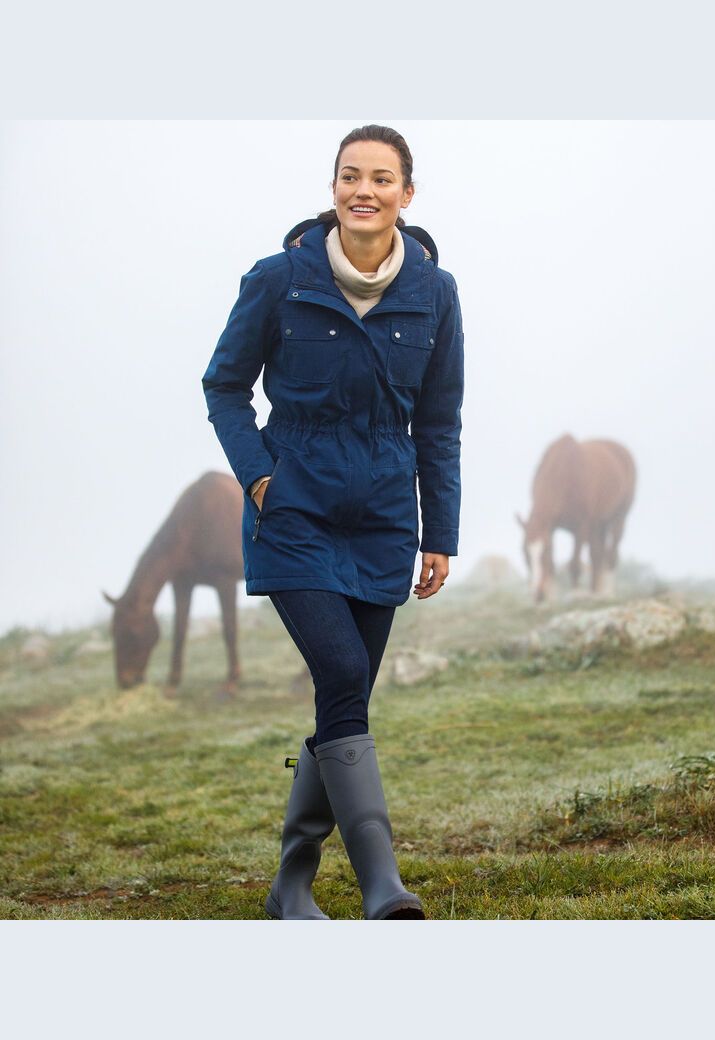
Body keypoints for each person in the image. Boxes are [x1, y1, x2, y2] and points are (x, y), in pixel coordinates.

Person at [201, 124, 464, 920]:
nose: (364, 191)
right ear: (333, 188)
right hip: (295, 514)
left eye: (382, 179)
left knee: (344, 697)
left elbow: (440, 423)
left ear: (406, 195)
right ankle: (383, 883)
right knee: (345, 676)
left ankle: (291, 883)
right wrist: (260, 480)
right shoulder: (280, 279)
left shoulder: (435, 293)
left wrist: (439, 532)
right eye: (351, 176)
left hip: (385, 519)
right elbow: (223, 386)